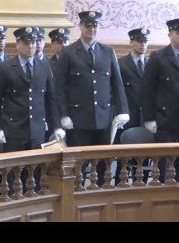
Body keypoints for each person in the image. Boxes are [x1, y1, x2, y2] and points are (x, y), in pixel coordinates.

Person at [54, 11, 129, 187]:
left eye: (95, 25)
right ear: (80, 27)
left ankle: (101, 194)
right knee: (79, 164)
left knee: (103, 163)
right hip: (78, 118)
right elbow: (60, 88)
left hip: (103, 117)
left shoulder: (107, 51)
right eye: (88, 25)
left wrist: (123, 110)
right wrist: (63, 115)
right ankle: (76, 195)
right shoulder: (68, 52)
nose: (92, 29)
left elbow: (117, 84)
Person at [142, 18, 179, 183]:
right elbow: (147, 90)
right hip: (165, 121)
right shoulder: (158, 57)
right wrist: (149, 118)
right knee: (165, 170)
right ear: (170, 34)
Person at [0, 26, 65, 152]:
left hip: (38, 129)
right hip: (13, 129)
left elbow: (51, 98)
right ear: (17, 44)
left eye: (33, 42)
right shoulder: (5, 67)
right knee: (14, 169)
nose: (30, 46)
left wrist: (57, 126)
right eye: (26, 43)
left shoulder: (44, 66)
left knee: (36, 169)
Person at [114, 28, 150, 184]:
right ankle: (120, 184)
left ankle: (141, 184)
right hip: (128, 117)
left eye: (145, 41)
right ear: (131, 42)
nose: (143, 45)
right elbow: (116, 91)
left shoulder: (151, 64)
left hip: (147, 117)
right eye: (139, 41)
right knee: (124, 157)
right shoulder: (121, 64)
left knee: (144, 156)